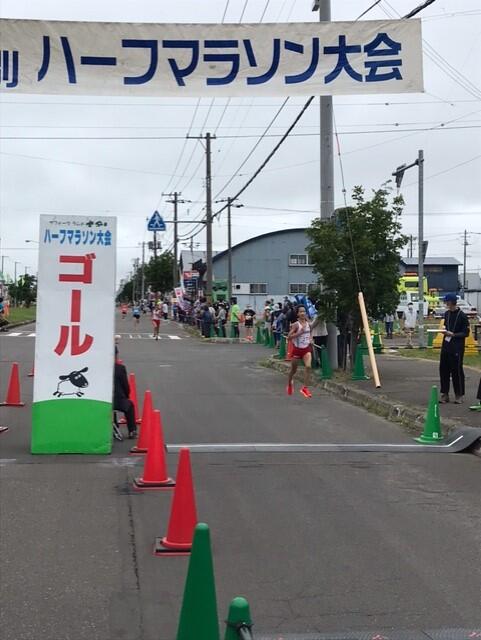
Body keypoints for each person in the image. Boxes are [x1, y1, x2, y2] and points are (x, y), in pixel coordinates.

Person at [439, 293, 470, 404]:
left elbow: (466, 333)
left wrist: (454, 335)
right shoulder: (446, 314)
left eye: (447, 301)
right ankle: (445, 394)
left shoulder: (462, 316)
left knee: (456, 370)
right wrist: (444, 331)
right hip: (446, 345)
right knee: (443, 370)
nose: (445, 303)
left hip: (457, 346)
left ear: (451, 302)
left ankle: (459, 394)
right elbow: (446, 327)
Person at [287, 305, 313, 398]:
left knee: (308, 367)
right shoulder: (295, 324)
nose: (303, 313)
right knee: (293, 370)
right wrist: (299, 333)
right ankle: (290, 383)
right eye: (300, 312)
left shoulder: (309, 324)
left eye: (304, 311)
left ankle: (305, 388)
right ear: (297, 314)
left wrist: (311, 339)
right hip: (297, 350)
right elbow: (289, 337)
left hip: (306, 349)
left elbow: (311, 332)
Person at [113, 351, 137, 439]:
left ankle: (114, 427)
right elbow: (125, 386)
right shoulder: (119, 368)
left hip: (101, 400)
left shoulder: (100, 368)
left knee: (110, 408)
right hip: (117, 400)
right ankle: (132, 430)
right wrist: (126, 396)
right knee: (129, 405)